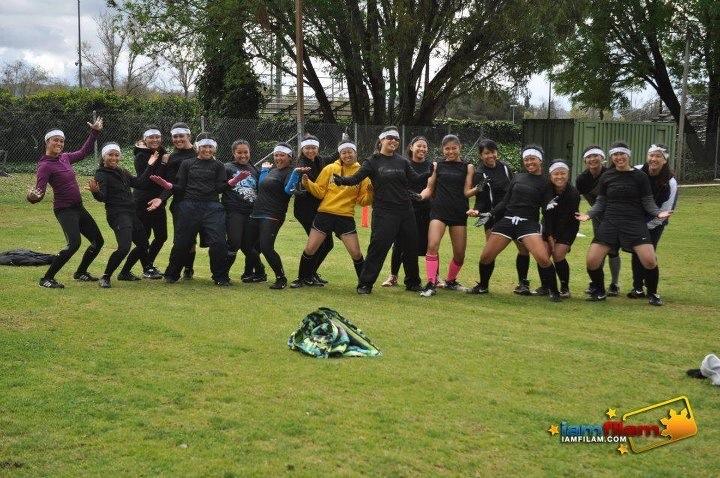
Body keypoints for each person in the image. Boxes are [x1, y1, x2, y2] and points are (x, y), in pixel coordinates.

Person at [334, 126, 431, 294]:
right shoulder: (372, 161)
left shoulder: (402, 161)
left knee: (410, 247)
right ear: (381, 140)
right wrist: (342, 180)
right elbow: (356, 178)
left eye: (396, 139)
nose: (393, 141)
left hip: (406, 211)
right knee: (378, 247)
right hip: (384, 212)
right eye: (390, 138)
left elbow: (415, 178)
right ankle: (365, 283)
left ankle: (413, 282)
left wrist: (431, 172)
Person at [575, 142, 672, 306]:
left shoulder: (640, 176)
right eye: (615, 154)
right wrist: (589, 215)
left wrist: (657, 213)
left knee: (649, 260)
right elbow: (601, 202)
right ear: (611, 157)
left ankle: (653, 293)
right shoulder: (607, 176)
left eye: (622, 154)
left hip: (634, 222)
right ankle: (599, 291)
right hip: (610, 222)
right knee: (592, 261)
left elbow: (647, 201)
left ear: (628, 155)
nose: (619, 157)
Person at [149, 133, 247, 286]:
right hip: (189, 206)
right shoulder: (187, 164)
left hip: (212, 208)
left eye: (209, 147)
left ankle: (220, 277)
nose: (206, 150)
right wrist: (168, 186)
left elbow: (220, 188)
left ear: (214, 149)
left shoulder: (219, 165)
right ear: (197, 147)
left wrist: (233, 182)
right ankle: (172, 274)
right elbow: (180, 187)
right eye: (203, 146)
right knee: (182, 242)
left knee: (218, 242)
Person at [466, 145, 562, 302]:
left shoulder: (546, 183)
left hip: (528, 223)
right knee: (485, 257)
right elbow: (505, 201)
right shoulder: (517, 177)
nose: (529, 162)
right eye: (526, 159)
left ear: (540, 160)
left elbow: (547, 210)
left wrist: (548, 233)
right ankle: (483, 286)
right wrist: (490, 214)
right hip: (507, 221)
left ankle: (554, 291)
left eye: (533, 159)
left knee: (543, 259)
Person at [27, 118, 105, 288]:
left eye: (62, 141)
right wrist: (32, 197)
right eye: (56, 140)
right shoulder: (44, 166)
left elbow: (84, 152)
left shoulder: (65, 158)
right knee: (74, 244)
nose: (59, 143)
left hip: (78, 208)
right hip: (64, 210)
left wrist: (95, 132)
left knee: (98, 241)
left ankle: (81, 272)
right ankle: (47, 278)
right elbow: (38, 193)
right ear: (47, 142)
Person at [292, 139, 373, 287]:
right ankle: (302, 278)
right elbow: (320, 192)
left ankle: (364, 283)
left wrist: (371, 193)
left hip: (345, 217)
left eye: (350, 152)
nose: (347, 155)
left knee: (356, 253)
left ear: (355, 153)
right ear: (340, 154)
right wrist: (307, 183)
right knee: (310, 249)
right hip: (325, 214)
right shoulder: (330, 168)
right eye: (344, 152)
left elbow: (362, 201)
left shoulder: (363, 173)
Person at [470, 139, 532, 295]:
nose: (490, 155)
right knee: (489, 253)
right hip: (492, 216)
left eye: (493, 152)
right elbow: (481, 198)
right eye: (486, 153)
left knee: (523, 248)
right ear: (480, 155)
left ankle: (523, 284)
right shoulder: (479, 173)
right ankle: (483, 285)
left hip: (512, 214)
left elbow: (514, 188)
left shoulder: (505, 167)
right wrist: (477, 210)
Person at [88, 143, 153, 288]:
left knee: (143, 244)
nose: (113, 158)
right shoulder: (101, 174)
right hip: (117, 215)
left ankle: (124, 273)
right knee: (124, 247)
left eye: (116, 155)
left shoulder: (122, 171)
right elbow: (102, 197)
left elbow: (139, 183)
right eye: (110, 155)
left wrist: (149, 166)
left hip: (131, 213)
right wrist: (95, 192)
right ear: (103, 157)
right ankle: (105, 276)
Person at [246, 142, 310, 289]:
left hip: (273, 214)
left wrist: (295, 174)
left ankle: (281, 278)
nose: (278, 158)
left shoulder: (292, 171)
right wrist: (264, 171)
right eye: (276, 155)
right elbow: (260, 186)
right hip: (257, 213)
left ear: (289, 157)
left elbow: (288, 191)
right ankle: (260, 273)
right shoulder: (273, 170)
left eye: (282, 155)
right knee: (248, 246)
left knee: (266, 247)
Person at [419, 134, 475, 297]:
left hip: (459, 212)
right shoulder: (437, 166)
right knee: (432, 246)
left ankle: (451, 281)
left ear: (460, 148)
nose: (450, 151)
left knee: (459, 253)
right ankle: (431, 283)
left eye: (454, 148)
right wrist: (420, 196)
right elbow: (429, 188)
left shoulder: (468, 167)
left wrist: (479, 189)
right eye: (447, 149)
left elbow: (467, 192)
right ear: (443, 149)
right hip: (439, 211)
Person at [627, 144, 678, 299]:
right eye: (651, 155)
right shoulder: (636, 171)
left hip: (655, 222)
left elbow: (664, 210)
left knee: (648, 254)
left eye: (658, 156)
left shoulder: (670, 182)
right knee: (637, 253)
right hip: (636, 220)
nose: (654, 159)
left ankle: (651, 289)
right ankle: (637, 288)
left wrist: (644, 226)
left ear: (664, 160)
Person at [382, 136, 433, 287]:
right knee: (399, 244)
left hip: (425, 209)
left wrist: (421, 197)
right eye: (419, 146)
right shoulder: (403, 164)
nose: (422, 149)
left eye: (425, 146)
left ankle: (434, 277)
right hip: (404, 209)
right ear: (411, 147)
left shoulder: (431, 166)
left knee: (430, 244)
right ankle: (393, 276)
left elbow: (431, 186)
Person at [575, 145, 621, 296]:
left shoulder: (611, 174)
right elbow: (577, 198)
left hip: (614, 217)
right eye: (589, 157)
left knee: (613, 251)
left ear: (603, 158)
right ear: (584, 161)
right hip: (597, 217)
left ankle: (614, 284)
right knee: (598, 249)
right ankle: (596, 282)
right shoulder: (582, 179)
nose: (592, 159)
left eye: (596, 156)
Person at [156, 122, 198, 279]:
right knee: (181, 239)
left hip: (202, 203)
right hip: (181, 203)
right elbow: (169, 183)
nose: (178, 139)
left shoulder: (200, 153)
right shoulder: (170, 158)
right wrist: (161, 199)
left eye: (181, 136)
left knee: (192, 239)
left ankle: (189, 268)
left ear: (188, 136)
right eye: (175, 136)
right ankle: (174, 271)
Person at [291, 134, 335, 284]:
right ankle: (306, 276)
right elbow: (299, 184)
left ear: (318, 148)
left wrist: (344, 140)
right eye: (308, 148)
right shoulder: (301, 164)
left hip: (319, 209)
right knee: (319, 243)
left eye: (314, 148)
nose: (311, 151)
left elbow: (334, 156)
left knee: (328, 244)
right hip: (305, 210)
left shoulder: (320, 160)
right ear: (302, 149)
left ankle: (311, 273)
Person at [535, 160, 580, 298]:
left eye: (563, 173)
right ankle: (545, 286)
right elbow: (546, 215)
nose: (559, 176)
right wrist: (549, 236)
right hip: (548, 226)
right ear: (550, 175)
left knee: (558, 255)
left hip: (568, 227)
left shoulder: (573, 193)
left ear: (568, 175)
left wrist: (562, 241)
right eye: (556, 174)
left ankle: (565, 287)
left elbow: (568, 219)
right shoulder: (546, 189)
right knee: (543, 255)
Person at [222, 139, 266, 282]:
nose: (243, 155)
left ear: (249, 152)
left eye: (245, 152)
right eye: (239, 152)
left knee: (248, 246)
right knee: (234, 242)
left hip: (251, 212)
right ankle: (223, 274)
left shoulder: (254, 169)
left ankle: (260, 271)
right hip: (234, 210)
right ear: (233, 153)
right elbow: (219, 186)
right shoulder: (227, 167)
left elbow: (260, 189)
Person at [132, 126, 167, 279]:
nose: (154, 140)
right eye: (151, 137)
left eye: (157, 137)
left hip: (158, 201)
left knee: (161, 236)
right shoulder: (140, 156)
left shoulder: (162, 153)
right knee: (144, 237)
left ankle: (149, 265)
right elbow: (147, 180)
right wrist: (163, 164)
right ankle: (147, 268)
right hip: (143, 202)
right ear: (144, 140)